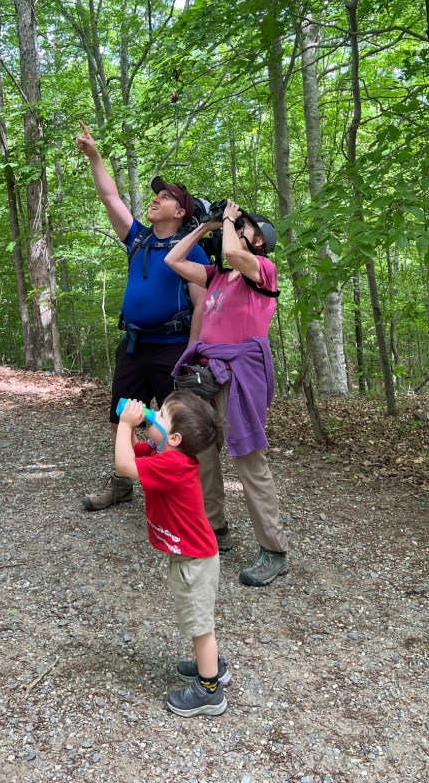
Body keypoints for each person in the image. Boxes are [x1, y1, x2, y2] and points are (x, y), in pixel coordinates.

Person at [76, 120, 211, 511]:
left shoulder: (193, 252)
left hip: (172, 350)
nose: (155, 199)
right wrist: (95, 155)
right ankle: (122, 484)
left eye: (165, 196)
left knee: (174, 426)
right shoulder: (139, 239)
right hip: (134, 346)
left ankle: (175, 493)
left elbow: (201, 304)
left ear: (181, 212)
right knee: (125, 415)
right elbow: (110, 198)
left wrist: (192, 353)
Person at [164, 199, 289, 587]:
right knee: (202, 451)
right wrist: (206, 226)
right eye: (239, 222)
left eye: (248, 225)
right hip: (207, 374)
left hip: (241, 377)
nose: (237, 228)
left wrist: (232, 221)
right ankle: (216, 528)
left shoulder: (262, 271)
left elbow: (235, 252)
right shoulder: (217, 276)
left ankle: (274, 550)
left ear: (261, 242)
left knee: (249, 459)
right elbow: (173, 259)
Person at [115, 391, 230, 717]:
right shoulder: (162, 451)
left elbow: (124, 466)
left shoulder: (173, 463)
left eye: (160, 414)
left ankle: (210, 690)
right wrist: (136, 428)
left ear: (174, 437)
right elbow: (132, 453)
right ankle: (213, 668)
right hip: (191, 556)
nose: (152, 413)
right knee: (198, 620)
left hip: (194, 562)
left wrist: (125, 424)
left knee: (200, 625)